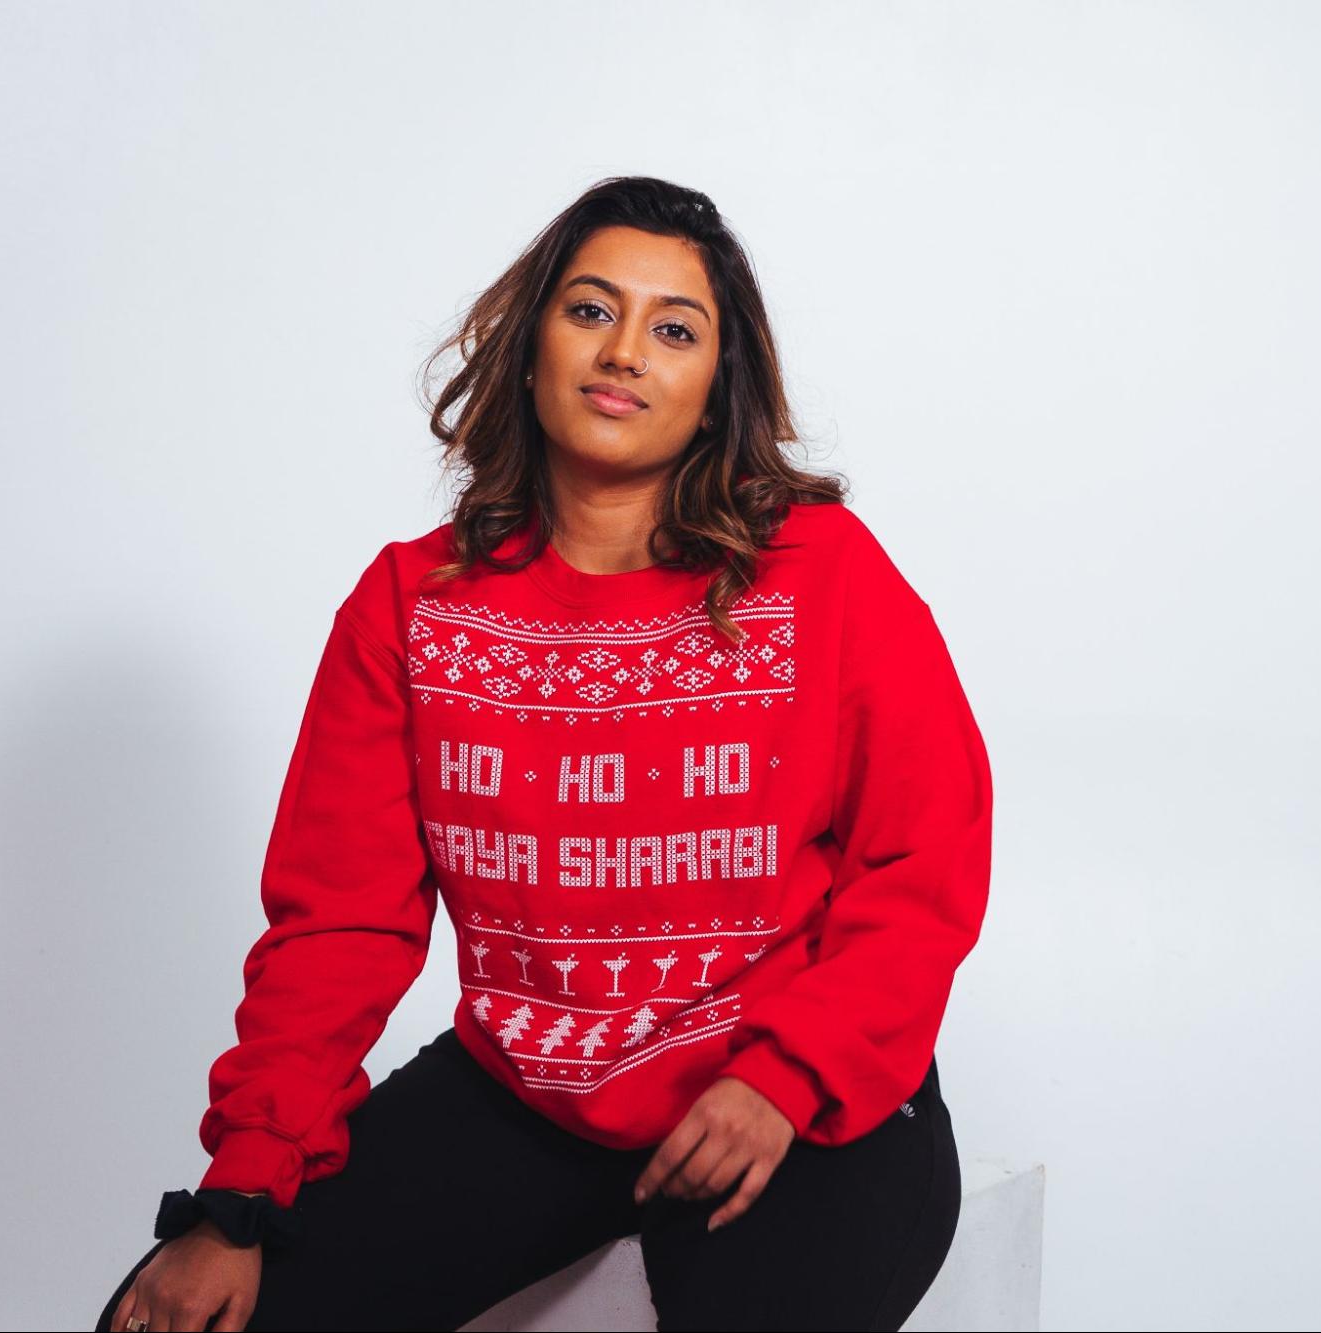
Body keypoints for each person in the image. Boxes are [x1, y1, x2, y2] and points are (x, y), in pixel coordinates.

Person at [95, 176, 994, 1332]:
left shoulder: (819, 570)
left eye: (674, 329)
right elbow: (339, 926)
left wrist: (786, 1076)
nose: (624, 351)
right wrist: (239, 1195)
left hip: (789, 1089)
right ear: (530, 346)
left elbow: (923, 860)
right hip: (533, 1094)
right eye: (590, 310)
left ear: (715, 387)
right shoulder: (411, 606)